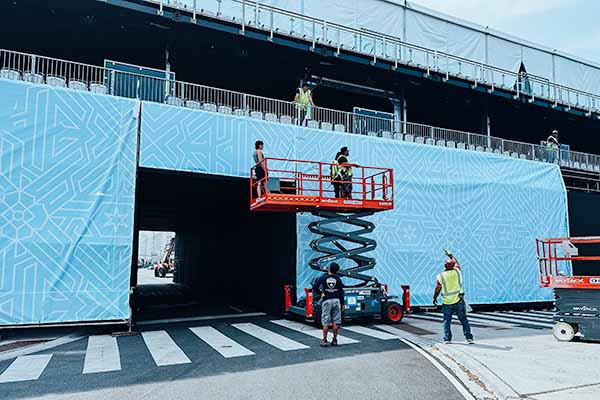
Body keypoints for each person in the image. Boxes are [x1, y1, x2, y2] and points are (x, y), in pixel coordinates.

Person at [433, 250, 474, 345]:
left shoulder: (440, 276)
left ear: (445, 266)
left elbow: (438, 288)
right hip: (458, 301)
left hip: (447, 302)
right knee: (463, 319)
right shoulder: (457, 272)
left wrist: (434, 297)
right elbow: (456, 262)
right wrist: (450, 255)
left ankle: (447, 339)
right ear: (453, 266)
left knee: (447, 321)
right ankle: (469, 338)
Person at [313, 262, 345, 347]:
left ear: (329, 268)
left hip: (327, 300)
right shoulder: (338, 279)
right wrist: (342, 303)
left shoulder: (323, 277)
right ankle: (334, 340)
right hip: (336, 300)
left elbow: (315, 287)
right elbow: (341, 291)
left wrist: (321, 293)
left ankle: (324, 340)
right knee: (336, 321)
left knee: (325, 321)